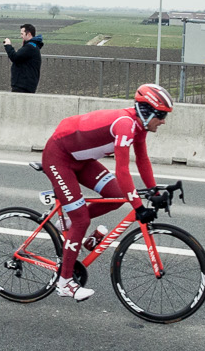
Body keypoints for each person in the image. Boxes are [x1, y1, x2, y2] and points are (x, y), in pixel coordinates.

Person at [40, 83, 174, 302]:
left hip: (81, 160)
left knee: (117, 195)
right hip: (59, 158)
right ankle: (64, 283)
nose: (164, 121)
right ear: (147, 112)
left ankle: (69, 223)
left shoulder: (139, 126)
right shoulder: (125, 125)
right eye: (161, 115)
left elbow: (142, 160)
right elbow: (122, 171)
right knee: (82, 220)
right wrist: (138, 207)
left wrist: (154, 191)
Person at [4, 24, 43, 94]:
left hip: (23, 85)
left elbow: (15, 57)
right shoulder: (33, 46)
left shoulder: (30, 47)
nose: (21, 36)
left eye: (22, 34)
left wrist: (8, 45)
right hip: (25, 84)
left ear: (29, 34)